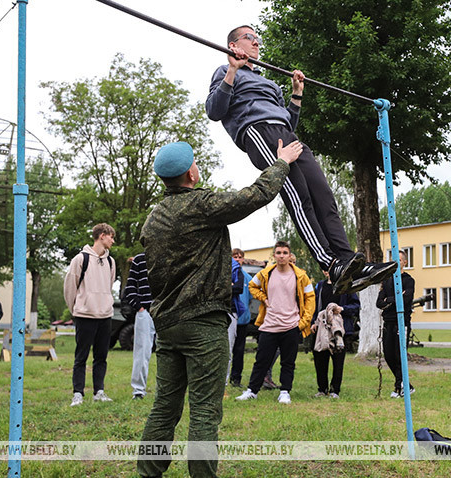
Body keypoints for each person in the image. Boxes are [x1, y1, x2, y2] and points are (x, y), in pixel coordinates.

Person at [137, 139, 301, 478]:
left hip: (167, 326)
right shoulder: (199, 204)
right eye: (195, 163)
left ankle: (148, 473)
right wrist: (282, 162)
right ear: (190, 174)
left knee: (164, 407)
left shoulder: (153, 219)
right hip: (203, 323)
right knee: (204, 412)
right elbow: (254, 195)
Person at [206, 25, 398, 295]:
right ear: (234, 44)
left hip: (286, 133)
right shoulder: (226, 72)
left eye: (258, 39)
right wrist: (232, 70)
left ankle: (348, 261)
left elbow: (289, 120)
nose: (257, 43)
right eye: (250, 38)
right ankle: (330, 264)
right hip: (258, 130)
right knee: (299, 196)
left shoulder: (270, 82)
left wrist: (296, 93)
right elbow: (214, 111)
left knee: (323, 195)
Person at [237, 241, 314, 404]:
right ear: (274, 255)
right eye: (278, 253)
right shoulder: (266, 273)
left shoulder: (300, 276)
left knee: (288, 362)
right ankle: (252, 391)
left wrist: (303, 322)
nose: (281, 256)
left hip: (291, 325)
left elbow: (310, 299)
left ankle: (285, 391)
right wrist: (263, 298)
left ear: (289, 255)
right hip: (269, 325)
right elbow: (252, 286)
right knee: (261, 360)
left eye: (285, 253)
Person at [64, 223, 117, 406]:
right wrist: (77, 309)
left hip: (105, 316)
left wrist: (105, 304)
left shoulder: (111, 262)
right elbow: (70, 287)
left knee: (101, 356)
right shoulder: (80, 259)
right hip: (85, 315)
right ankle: (78, 393)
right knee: (81, 357)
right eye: (111, 236)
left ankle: (99, 392)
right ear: (102, 236)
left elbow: (108, 287)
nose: (113, 240)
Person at [311, 270, 360, 398]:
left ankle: (334, 390)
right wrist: (313, 322)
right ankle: (322, 389)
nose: (328, 271)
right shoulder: (320, 286)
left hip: (339, 328)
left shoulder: (346, 285)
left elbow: (356, 306)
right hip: (321, 327)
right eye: (325, 269)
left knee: (338, 360)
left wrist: (342, 309)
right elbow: (314, 305)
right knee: (320, 358)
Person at [377, 250, 416, 398]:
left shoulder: (408, 280)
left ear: (405, 262)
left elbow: (406, 300)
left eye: (399, 260)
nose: (396, 263)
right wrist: (393, 299)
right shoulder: (387, 281)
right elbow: (379, 302)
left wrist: (389, 300)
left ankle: (399, 387)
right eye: (393, 260)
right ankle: (407, 385)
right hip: (388, 322)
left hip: (401, 322)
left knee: (400, 355)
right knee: (389, 355)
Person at [123, 253, 155, 400]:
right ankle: (138, 391)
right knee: (141, 351)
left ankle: (168, 391)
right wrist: (140, 307)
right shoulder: (140, 260)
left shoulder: (172, 254)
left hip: (167, 311)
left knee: (170, 353)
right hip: (145, 311)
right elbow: (130, 288)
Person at [228, 249, 252, 388]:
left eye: (240, 257)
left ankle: (236, 378)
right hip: (230, 316)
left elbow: (250, 297)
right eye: (235, 257)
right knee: (228, 348)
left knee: (239, 350)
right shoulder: (229, 274)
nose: (238, 259)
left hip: (243, 319)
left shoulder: (247, 278)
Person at [225, 256, 246, 383]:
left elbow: (238, 287)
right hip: (211, 311)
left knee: (228, 348)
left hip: (230, 311)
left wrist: (223, 286)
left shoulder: (236, 269)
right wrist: (229, 285)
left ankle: (225, 381)